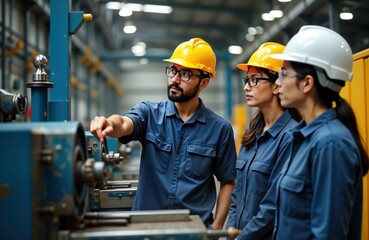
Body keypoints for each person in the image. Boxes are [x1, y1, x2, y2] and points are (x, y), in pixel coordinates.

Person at [90, 38, 237, 230]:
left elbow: (227, 181)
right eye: (173, 71)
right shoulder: (150, 114)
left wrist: (217, 227)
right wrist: (109, 122)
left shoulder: (219, 129)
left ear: (204, 82)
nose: (175, 79)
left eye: (185, 74)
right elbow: (125, 123)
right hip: (145, 228)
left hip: (194, 230)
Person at [269, 25, 369, 239]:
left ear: (307, 83)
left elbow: (328, 234)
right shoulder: (302, 137)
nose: (277, 83)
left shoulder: (331, 144)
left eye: (283, 73)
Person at [226, 42, 299, 239]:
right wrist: (231, 231)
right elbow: (236, 194)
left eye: (255, 80)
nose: (246, 87)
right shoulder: (252, 133)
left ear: (277, 86)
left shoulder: (290, 137)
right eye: (246, 80)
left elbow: (273, 205)